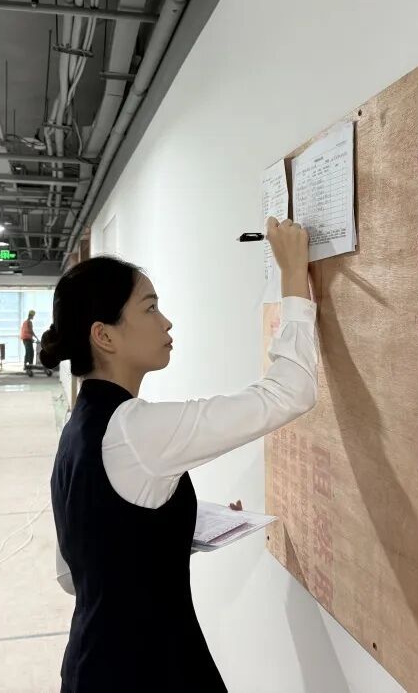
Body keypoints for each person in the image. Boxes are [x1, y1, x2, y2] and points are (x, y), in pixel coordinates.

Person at [41, 217, 318, 693]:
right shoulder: (134, 429)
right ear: (104, 336)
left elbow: (76, 570)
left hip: (92, 666)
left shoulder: (79, 430)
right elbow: (288, 394)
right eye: (150, 308)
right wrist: (294, 275)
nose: (165, 321)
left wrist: (176, 524)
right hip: (150, 671)